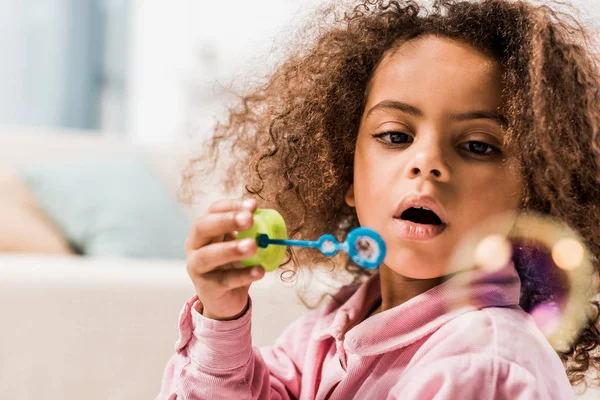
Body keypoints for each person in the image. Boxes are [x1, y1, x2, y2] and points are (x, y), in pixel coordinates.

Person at [158, 0, 600, 398]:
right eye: (395, 135)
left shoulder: (483, 366)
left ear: (534, 193)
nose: (427, 163)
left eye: (478, 145)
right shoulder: (329, 331)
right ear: (341, 171)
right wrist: (222, 318)